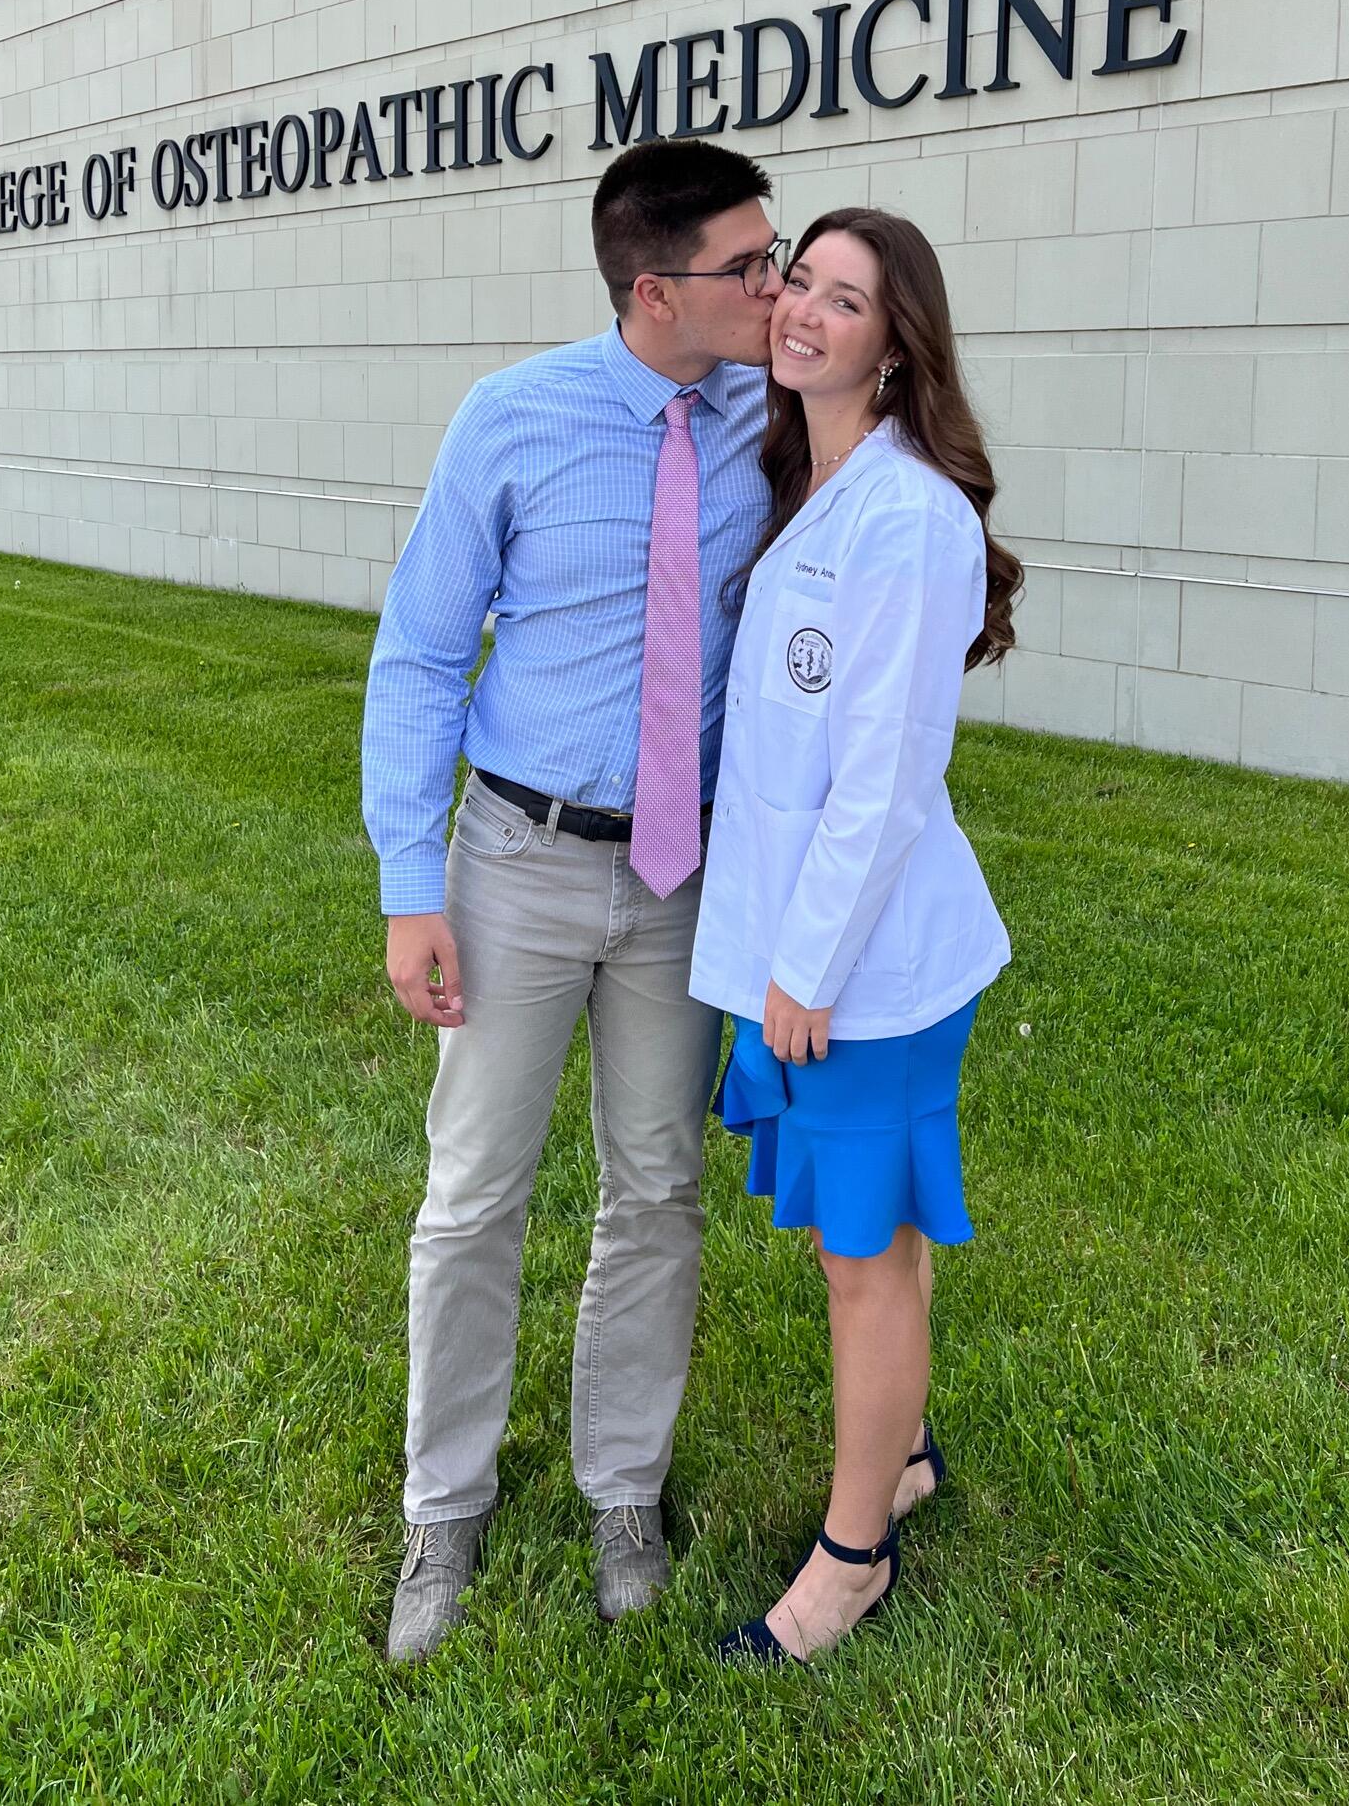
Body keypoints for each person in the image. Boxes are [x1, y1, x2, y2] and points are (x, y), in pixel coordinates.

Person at [361, 139, 784, 1664]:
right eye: (750, 265)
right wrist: (416, 888)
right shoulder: (513, 419)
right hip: (517, 865)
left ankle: (624, 1487)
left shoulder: (776, 415)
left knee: (656, 1187)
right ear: (654, 289)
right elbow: (417, 655)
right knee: (474, 1194)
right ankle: (444, 1511)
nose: (776, 283)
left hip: (682, 873)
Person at [688, 207, 1022, 1665]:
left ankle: (852, 1555)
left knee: (862, 1260)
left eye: (845, 297)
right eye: (797, 285)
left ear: (898, 345)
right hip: (794, 950)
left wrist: (805, 971)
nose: (806, 311)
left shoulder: (911, 518)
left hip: (861, 973)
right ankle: (910, 1459)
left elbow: (883, 782)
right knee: (853, 1241)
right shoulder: (796, 478)